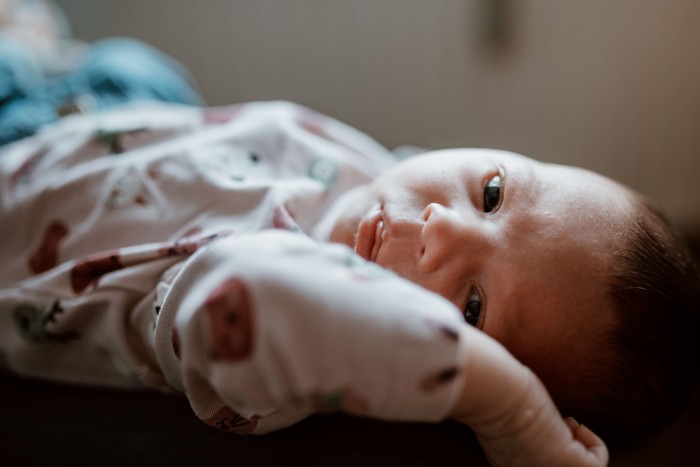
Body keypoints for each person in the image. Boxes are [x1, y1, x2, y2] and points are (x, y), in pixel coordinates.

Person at [0, 100, 697, 466]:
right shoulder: (377, 185)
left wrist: (508, 407)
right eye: (492, 191)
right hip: (82, 120)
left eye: (473, 305)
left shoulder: (276, 348)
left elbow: (251, 300)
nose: (441, 231)